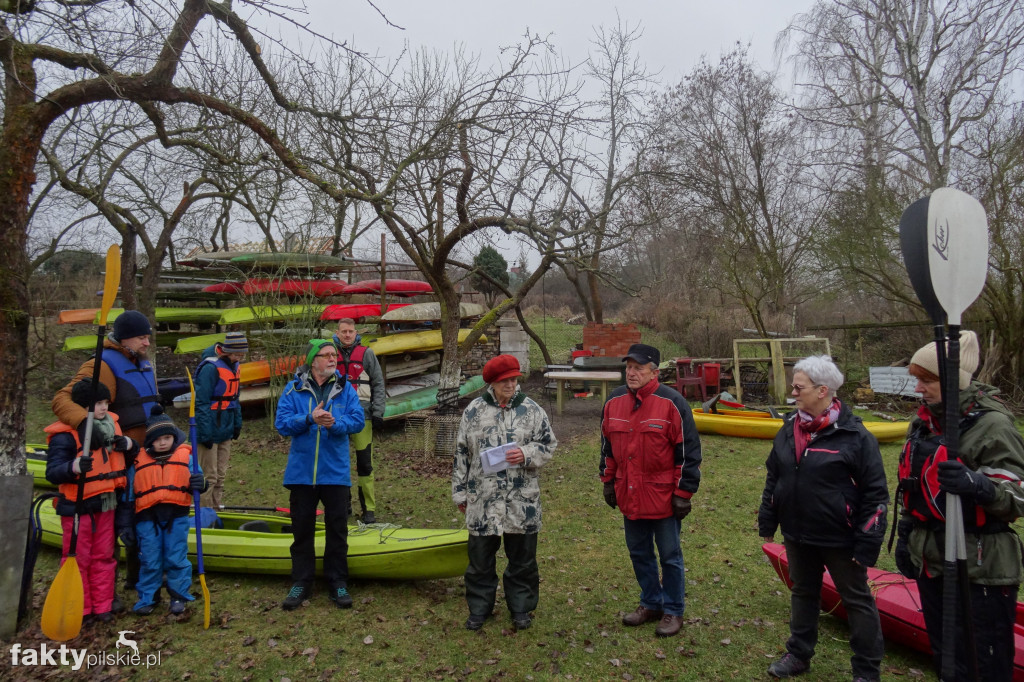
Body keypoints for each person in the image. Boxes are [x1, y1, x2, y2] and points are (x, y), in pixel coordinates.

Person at [893, 330, 1024, 682]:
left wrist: (978, 485)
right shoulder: (923, 423)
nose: (918, 388)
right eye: (916, 380)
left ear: (954, 380)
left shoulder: (992, 425)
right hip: (932, 560)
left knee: (983, 663)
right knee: (947, 660)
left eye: (926, 380)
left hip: (981, 566)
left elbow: (1018, 496)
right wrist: (907, 533)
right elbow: (914, 487)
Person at [758, 355, 888, 681]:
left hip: (840, 537)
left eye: (799, 387)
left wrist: (868, 543)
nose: (793, 392)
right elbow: (775, 476)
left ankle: (867, 670)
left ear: (822, 390)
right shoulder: (789, 429)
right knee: (803, 593)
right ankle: (798, 655)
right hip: (798, 532)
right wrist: (768, 521)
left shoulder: (857, 437)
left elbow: (876, 496)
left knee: (857, 601)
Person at [51, 309, 158, 607]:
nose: (147, 343)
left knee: (142, 520)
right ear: (124, 338)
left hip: (144, 457)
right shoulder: (101, 365)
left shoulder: (140, 362)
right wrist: (84, 422)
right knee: (113, 527)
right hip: (116, 462)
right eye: (141, 337)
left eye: (147, 336)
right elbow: (62, 399)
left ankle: (137, 580)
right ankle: (103, 594)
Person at [600, 343, 702, 638]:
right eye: (628, 367)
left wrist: (684, 493)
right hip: (629, 492)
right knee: (639, 552)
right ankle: (650, 602)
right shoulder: (614, 401)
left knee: (670, 555)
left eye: (638, 368)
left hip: (663, 496)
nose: (631, 373)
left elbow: (689, 451)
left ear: (654, 372)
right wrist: (608, 481)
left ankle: (673, 610)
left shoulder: (672, 402)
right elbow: (607, 447)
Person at [452, 354, 557, 631]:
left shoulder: (532, 410)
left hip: (521, 500)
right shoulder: (473, 411)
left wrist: (524, 453)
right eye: (504, 381)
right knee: (480, 561)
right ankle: (479, 608)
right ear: (493, 383)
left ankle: (521, 607)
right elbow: (461, 453)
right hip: (482, 498)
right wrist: (460, 492)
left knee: (522, 560)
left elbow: (549, 445)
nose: (510, 385)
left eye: (514, 379)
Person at [275, 339, 366, 611]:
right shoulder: (293, 390)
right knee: (302, 530)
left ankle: (337, 581)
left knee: (337, 530)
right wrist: (308, 419)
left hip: (335, 473)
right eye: (326, 355)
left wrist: (335, 423)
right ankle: (301, 581)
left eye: (334, 356)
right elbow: (281, 424)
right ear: (312, 360)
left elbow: (358, 420)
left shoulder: (345, 389)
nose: (331, 359)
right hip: (302, 474)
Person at [44, 379, 138, 624]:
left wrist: (129, 445)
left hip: (106, 503)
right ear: (83, 407)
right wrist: (73, 466)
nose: (104, 408)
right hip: (77, 508)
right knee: (78, 558)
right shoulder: (65, 437)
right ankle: (81, 608)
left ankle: (103, 605)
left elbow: (131, 457)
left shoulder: (112, 427)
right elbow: (52, 472)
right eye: (98, 403)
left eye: (106, 402)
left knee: (104, 556)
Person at [124, 405, 207, 615]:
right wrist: (125, 522)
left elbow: (198, 480)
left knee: (176, 557)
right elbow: (130, 493)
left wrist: (200, 482)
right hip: (146, 518)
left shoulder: (186, 457)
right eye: (158, 439)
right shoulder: (138, 462)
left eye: (167, 438)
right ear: (150, 440)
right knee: (150, 559)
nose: (162, 443)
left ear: (174, 438)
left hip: (175, 516)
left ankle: (178, 596)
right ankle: (148, 598)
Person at [332, 318, 385, 524]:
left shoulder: (367, 354)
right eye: (343, 331)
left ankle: (368, 509)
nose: (347, 335)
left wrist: (378, 412)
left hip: (363, 417)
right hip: (337, 417)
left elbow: (379, 384)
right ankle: (343, 505)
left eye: (350, 331)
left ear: (356, 333)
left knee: (365, 464)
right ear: (337, 333)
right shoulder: (329, 354)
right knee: (340, 462)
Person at [194, 331, 248, 509]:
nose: (240, 357)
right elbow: (201, 402)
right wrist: (204, 432)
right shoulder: (210, 368)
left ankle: (216, 511)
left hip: (226, 426)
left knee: (221, 476)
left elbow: (235, 398)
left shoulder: (235, 366)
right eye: (237, 354)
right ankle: (204, 516)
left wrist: (237, 424)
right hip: (209, 428)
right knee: (209, 476)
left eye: (242, 354)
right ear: (227, 351)